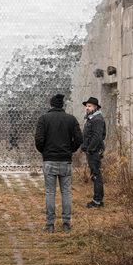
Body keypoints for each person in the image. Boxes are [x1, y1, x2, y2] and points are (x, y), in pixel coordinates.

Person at [34, 94, 83, 233]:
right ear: (63, 105)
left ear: (51, 105)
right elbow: (79, 138)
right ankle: (66, 223)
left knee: (50, 192)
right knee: (66, 192)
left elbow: (38, 140)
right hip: (65, 161)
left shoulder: (43, 119)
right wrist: (70, 150)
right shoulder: (71, 119)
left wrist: (44, 152)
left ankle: (50, 225)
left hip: (49, 160)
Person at [81, 97, 107, 208]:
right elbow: (89, 135)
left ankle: (97, 201)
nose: (87, 108)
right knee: (95, 175)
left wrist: (90, 149)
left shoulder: (97, 119)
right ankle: (98, 199)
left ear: (95, 107)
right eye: (86, 106)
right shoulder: (91, 118)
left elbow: (97, 137)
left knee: (96, 175)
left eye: (89, 106)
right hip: (92, 151)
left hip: (94, 151)